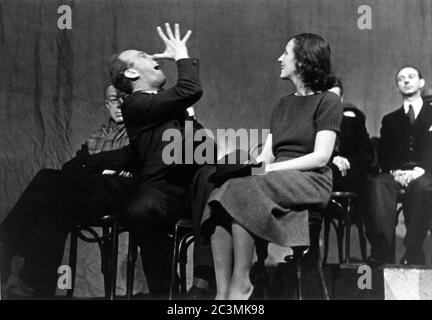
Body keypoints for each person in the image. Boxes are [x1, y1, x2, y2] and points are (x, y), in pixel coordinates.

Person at [200, 33, 342, 300]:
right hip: (275, 175)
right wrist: (246, 168)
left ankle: (241, 281)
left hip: (309, 178)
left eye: (286, 53)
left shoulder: (329, 101)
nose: (280, 58)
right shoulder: (282, 104)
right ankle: (222, 292)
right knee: (224, 189)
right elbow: (266, 155)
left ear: (303, 61)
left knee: (242, 190)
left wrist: (270, 170)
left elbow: (321, 157)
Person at [0, 84, 137, 298]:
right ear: (106, 104)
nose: (118, 106)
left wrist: (90, 164)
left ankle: (5, 243)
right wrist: (101, 168)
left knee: (48, 181)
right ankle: (37, 288)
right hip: (87, 195)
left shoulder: (138, 132)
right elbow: (69, 168)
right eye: (113, 100)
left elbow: (130, 160)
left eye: (124, 100)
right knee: (52, 209)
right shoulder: (99, 135)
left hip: (118, 196)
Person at [109, 23, 203, 297]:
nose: (153, 57)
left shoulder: (170, 106)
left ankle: (202, 286)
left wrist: (190, 119)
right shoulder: (135, 103)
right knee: (144, 215)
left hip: (186, 190)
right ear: (131, 72)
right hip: (157, 193)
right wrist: (181, 56)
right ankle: (168, 295)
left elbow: (199, 141)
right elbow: (189, 88)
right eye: (143, 55)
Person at [367, 65, 432, 265]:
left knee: (423, 186)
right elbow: (385, 153)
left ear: (421, 83)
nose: (406, 81)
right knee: (379, 184)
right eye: (400, 78)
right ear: (397, 87)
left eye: (411, 76)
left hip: (426, 171)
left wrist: (419, 171)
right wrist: (395, 172)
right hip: (398, 172)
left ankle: (413, 250)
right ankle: (382, 251)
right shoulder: (390, 120)